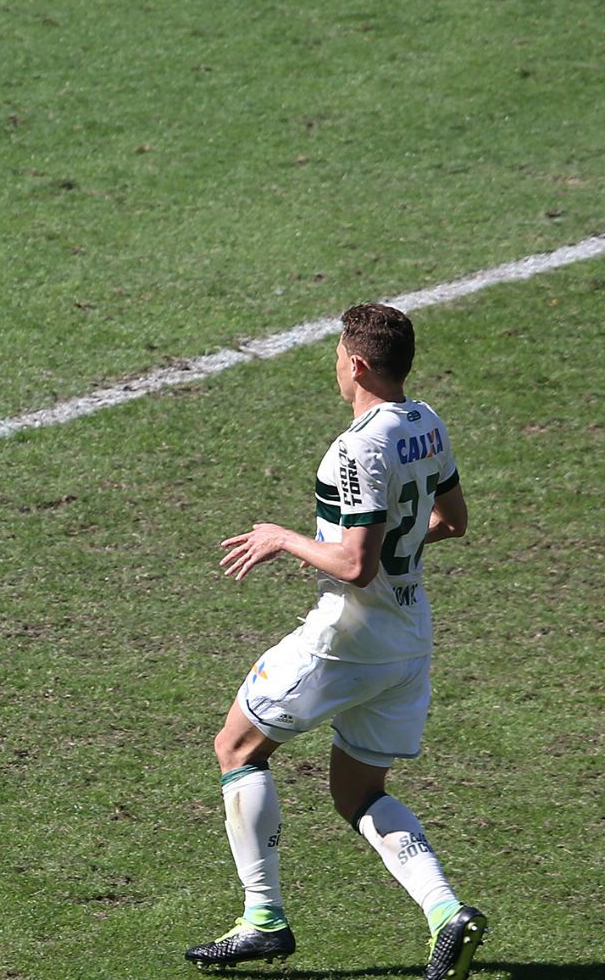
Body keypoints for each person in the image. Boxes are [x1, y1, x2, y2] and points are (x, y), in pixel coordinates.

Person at [186, 303, 488, 980]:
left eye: (335, 353)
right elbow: (453, 521)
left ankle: (263, 920)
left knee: (236, 745)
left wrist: (287, 539)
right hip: (409, 637)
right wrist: (364, 545)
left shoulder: (356, 446)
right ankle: (448, 915)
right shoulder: (426, 421)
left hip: (348, 638)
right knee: (358, 792)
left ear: (355, 363)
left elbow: (355, 566)